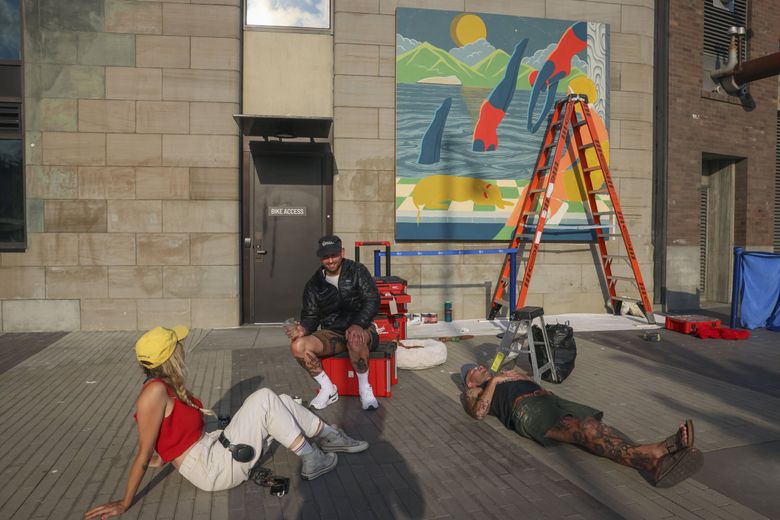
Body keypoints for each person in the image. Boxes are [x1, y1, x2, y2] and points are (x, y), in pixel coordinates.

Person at [85, 326, 368, 519]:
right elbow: (143, 451)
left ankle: (330, 436)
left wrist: (165, 455)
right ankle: (312, 457)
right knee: (265, 398)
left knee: (280, 399)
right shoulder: (154, 392)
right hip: (211, 468)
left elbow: (161, 438)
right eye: (178, 346)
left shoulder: (161, 385)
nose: (184, 348)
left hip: (211, 452)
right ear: (170, 356)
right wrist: (124, 502)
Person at [460, 363, 703, 488]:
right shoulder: (476, 392)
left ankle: (653, 456)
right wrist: (496, 381)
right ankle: (654, 455)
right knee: (585, 432)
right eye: (474, 370)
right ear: (470, 382)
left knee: (595, 426)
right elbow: (479, 414)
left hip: (548, 399)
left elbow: (530, 381)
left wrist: (520, 376)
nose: (481, 367)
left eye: (480, 366)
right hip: (527, 411)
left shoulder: (502, 374)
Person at [286, 235, 381, 411]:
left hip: (363, 328)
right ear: (320, 258)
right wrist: (303, 328)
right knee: (298, 346)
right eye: (325, 257)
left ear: (342, 253)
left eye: (334, 255)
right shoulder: (314, 284)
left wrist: (358, 323)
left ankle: (365, 389)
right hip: (333, 333)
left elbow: (372, 300)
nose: (330, 260)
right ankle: (328, 389)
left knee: (354, 337)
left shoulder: (357, 271)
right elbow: (311, 315)